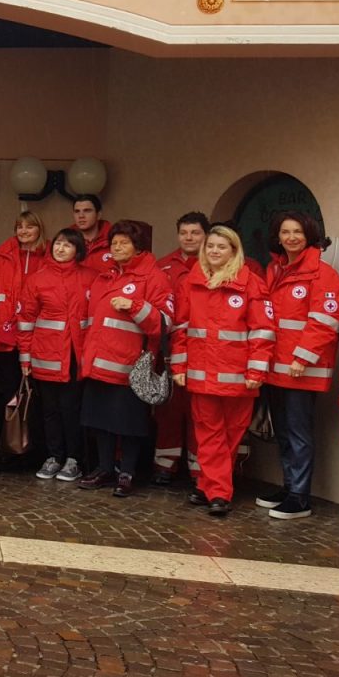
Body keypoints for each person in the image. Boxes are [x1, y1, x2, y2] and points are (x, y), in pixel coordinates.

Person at [169, 225, 273, 517]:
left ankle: (208, 484)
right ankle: (219, 493)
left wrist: (256, 372)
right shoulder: (192, 282)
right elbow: (181, 329)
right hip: (202, 375)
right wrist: (179, 365)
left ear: (234, 251)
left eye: (221, 247)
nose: (214, 251)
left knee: (230, 435)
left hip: (239, 378)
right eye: (211, 246)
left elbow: (262, 332)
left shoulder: (251, 284)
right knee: (208, 434)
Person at [77, 220, 174, 498]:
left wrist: (135, 306)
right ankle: (105, 468)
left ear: (138, 246)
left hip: (130, 366)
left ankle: (127, 472)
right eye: (114, 243)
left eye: (124, 243)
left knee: (128, 424)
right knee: (100, 421)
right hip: (99, 363)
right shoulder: (105, 277)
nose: (117, 247)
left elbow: (166, 323)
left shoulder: (153, 278)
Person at [260, 210, 339, 519]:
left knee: (298, 433)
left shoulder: (323, 274)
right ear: (278, 236)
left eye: (297, 231)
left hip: (300, 370)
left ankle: (300, 496)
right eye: (285, 232)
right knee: (282, 432)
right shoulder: (276, 270)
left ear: (309, 235)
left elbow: (324, 322)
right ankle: (289, 485)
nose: (291, 237)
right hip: (275, 368)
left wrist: (301, 358)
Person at [17, 228, 96, 483]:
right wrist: (25, 358)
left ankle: (74, 459)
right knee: (49, 410)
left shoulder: (90, 278)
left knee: (71, 409)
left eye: (68, 245)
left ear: (78, 250)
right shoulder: (37, 279)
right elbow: (26, 321)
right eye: (58, 243)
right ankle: (54, 456)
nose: (61, 248)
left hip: (77, 356)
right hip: (45, 355)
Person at [0, 210, 48, 443]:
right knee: (4, 393)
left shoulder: (49, 258)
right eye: (19, 226)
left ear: (39, 229)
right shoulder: (2, 257)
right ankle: (4, 444)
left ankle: (31, 444)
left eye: (29, 226)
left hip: (37, 340)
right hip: (3, 340)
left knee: (34, 394)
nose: (24, 231)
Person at [152, 211, 209, 485]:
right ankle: (165, 465)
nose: (189, 238)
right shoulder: (163, 266)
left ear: (205, 235)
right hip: (169, 349)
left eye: (195, 233)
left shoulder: (215, 265)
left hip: (204, 351)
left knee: (201, 412)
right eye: (184, 233)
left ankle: (199, 470)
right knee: (169, 410)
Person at [72, 195, 116, 275]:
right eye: (77, 211)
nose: (81, 216)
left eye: (87, 211)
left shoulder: (115, 240)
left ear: (98, 215)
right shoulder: (65, 242)